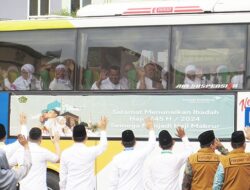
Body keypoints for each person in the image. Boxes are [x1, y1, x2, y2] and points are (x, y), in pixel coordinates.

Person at [59, 116, 108, 190]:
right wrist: (103, 129)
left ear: (72, 138)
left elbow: (63, 178)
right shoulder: (90, 152)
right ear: (86, 138)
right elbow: (103, 145)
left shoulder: (65, 153)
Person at [108, 118, 156, 190]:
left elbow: (113, 182)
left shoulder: (116, 158)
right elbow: (152, 144)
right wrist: (151, 128)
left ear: (121, 143)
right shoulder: (140, 154)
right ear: (135, 141)